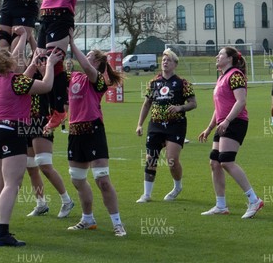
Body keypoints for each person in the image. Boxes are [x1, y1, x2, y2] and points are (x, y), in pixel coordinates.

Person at [0, 46, 61, 247]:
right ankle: (3, 233)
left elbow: (20, 83)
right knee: (12, 184)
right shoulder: (16, 81)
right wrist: (50, 65)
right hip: (12, 131)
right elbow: (46, 86)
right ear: (10, 62)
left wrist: (33, 65)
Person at [25, 0, 90, 132]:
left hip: (61, 16)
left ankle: (59, 109)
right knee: (44, 62)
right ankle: (55, 108)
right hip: (46, 17)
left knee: (54, 59)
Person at [64, 33, 126, 236]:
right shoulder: (73, 77)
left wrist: (72, 43)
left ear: (97, 62)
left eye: (89, 55)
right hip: (75, 132)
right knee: (77, 179)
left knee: (102, 180)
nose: (85, 57)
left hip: (93, 131)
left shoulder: (98, 79)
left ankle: (117, 223)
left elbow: (88, 68)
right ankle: (88, 219)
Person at [198, 47, 264, 218]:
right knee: (214, 162)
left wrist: (227, 121)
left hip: (235, 122)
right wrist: (209, 128)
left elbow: (241, 101)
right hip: (223, 124)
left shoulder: (235, 75)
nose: (217, 57)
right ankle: (221, 206)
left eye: (220, 54)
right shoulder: (221, 77)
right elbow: (218, 108)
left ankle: (254, 200)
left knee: (226, 161)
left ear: (230, 59)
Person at [135, 48, 197, 203]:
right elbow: (147, 104)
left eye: (168, 60)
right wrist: (140, 124)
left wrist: (180, 108)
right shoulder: (153, 83)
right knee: (151, 158)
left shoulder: (183, 83)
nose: (165, 62)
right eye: (163, 59)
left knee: (171, 159)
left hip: (175, 125)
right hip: (155, 125)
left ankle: (177, 187)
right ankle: (147, 194)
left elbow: (193, 103)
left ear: (175, 64)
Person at [25, 53, 75, 219]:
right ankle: (41, 204)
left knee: (43, 164)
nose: (38, 62)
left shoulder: (54, 76)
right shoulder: (28, 73)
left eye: (41, 60)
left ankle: (66, 200)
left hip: (43, 120)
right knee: (30, 166)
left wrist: (48, 69)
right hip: (27, 122)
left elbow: (56, 91)